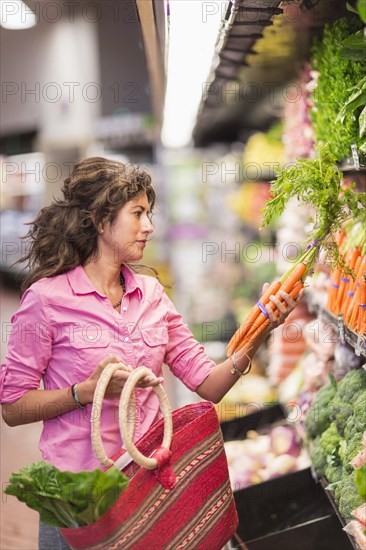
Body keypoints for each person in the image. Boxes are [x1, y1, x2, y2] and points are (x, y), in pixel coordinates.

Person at [0, 157, 302, 549]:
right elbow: (12, 407)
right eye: (138, 213)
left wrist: (260, 330)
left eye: (150, 213)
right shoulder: (46, 300)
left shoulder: (153, 295)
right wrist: (83, 392)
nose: (149, 226)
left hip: (150, 491)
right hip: (77, 500)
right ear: (99, 219)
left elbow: (208, 384)